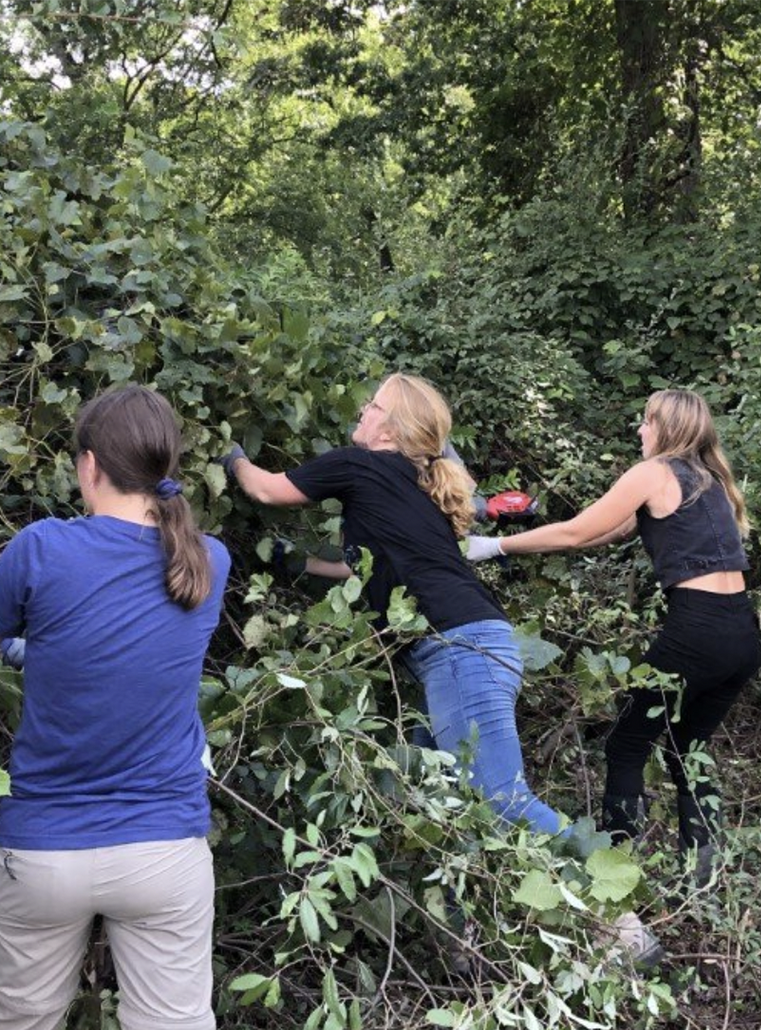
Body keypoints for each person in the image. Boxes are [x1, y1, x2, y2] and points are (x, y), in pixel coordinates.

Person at [222, 371, 662, 965]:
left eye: (372, 404)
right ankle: (465, 936)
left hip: (456, 648)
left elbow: (268, 490)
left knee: (498, 797)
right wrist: (299, 562)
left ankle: (620, 916)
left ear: (391, 426)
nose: (362, 410)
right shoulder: (409, 488)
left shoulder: (360, 464)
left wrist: (228, 451)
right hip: (472, 644)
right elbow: (371, 569)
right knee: (438, 796)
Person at [0, 384, 231, 1030]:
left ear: (89, 464)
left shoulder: (41, 550)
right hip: (164, 854)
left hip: (47, 852)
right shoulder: (207, 561)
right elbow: (124, 648)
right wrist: (37, 647)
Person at [482, 388, 761, 890]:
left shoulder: (653, 472)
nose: (640, 430)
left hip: (695, 628)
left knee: (627, 743)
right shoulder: (711, 480)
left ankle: (615, 870)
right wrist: (522, 540)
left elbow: (574, 533)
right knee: (688, 748)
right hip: (742, 631)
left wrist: (494, 545)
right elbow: (606, 533)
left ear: (666, 427)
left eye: (646, 421)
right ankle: (702, 880)